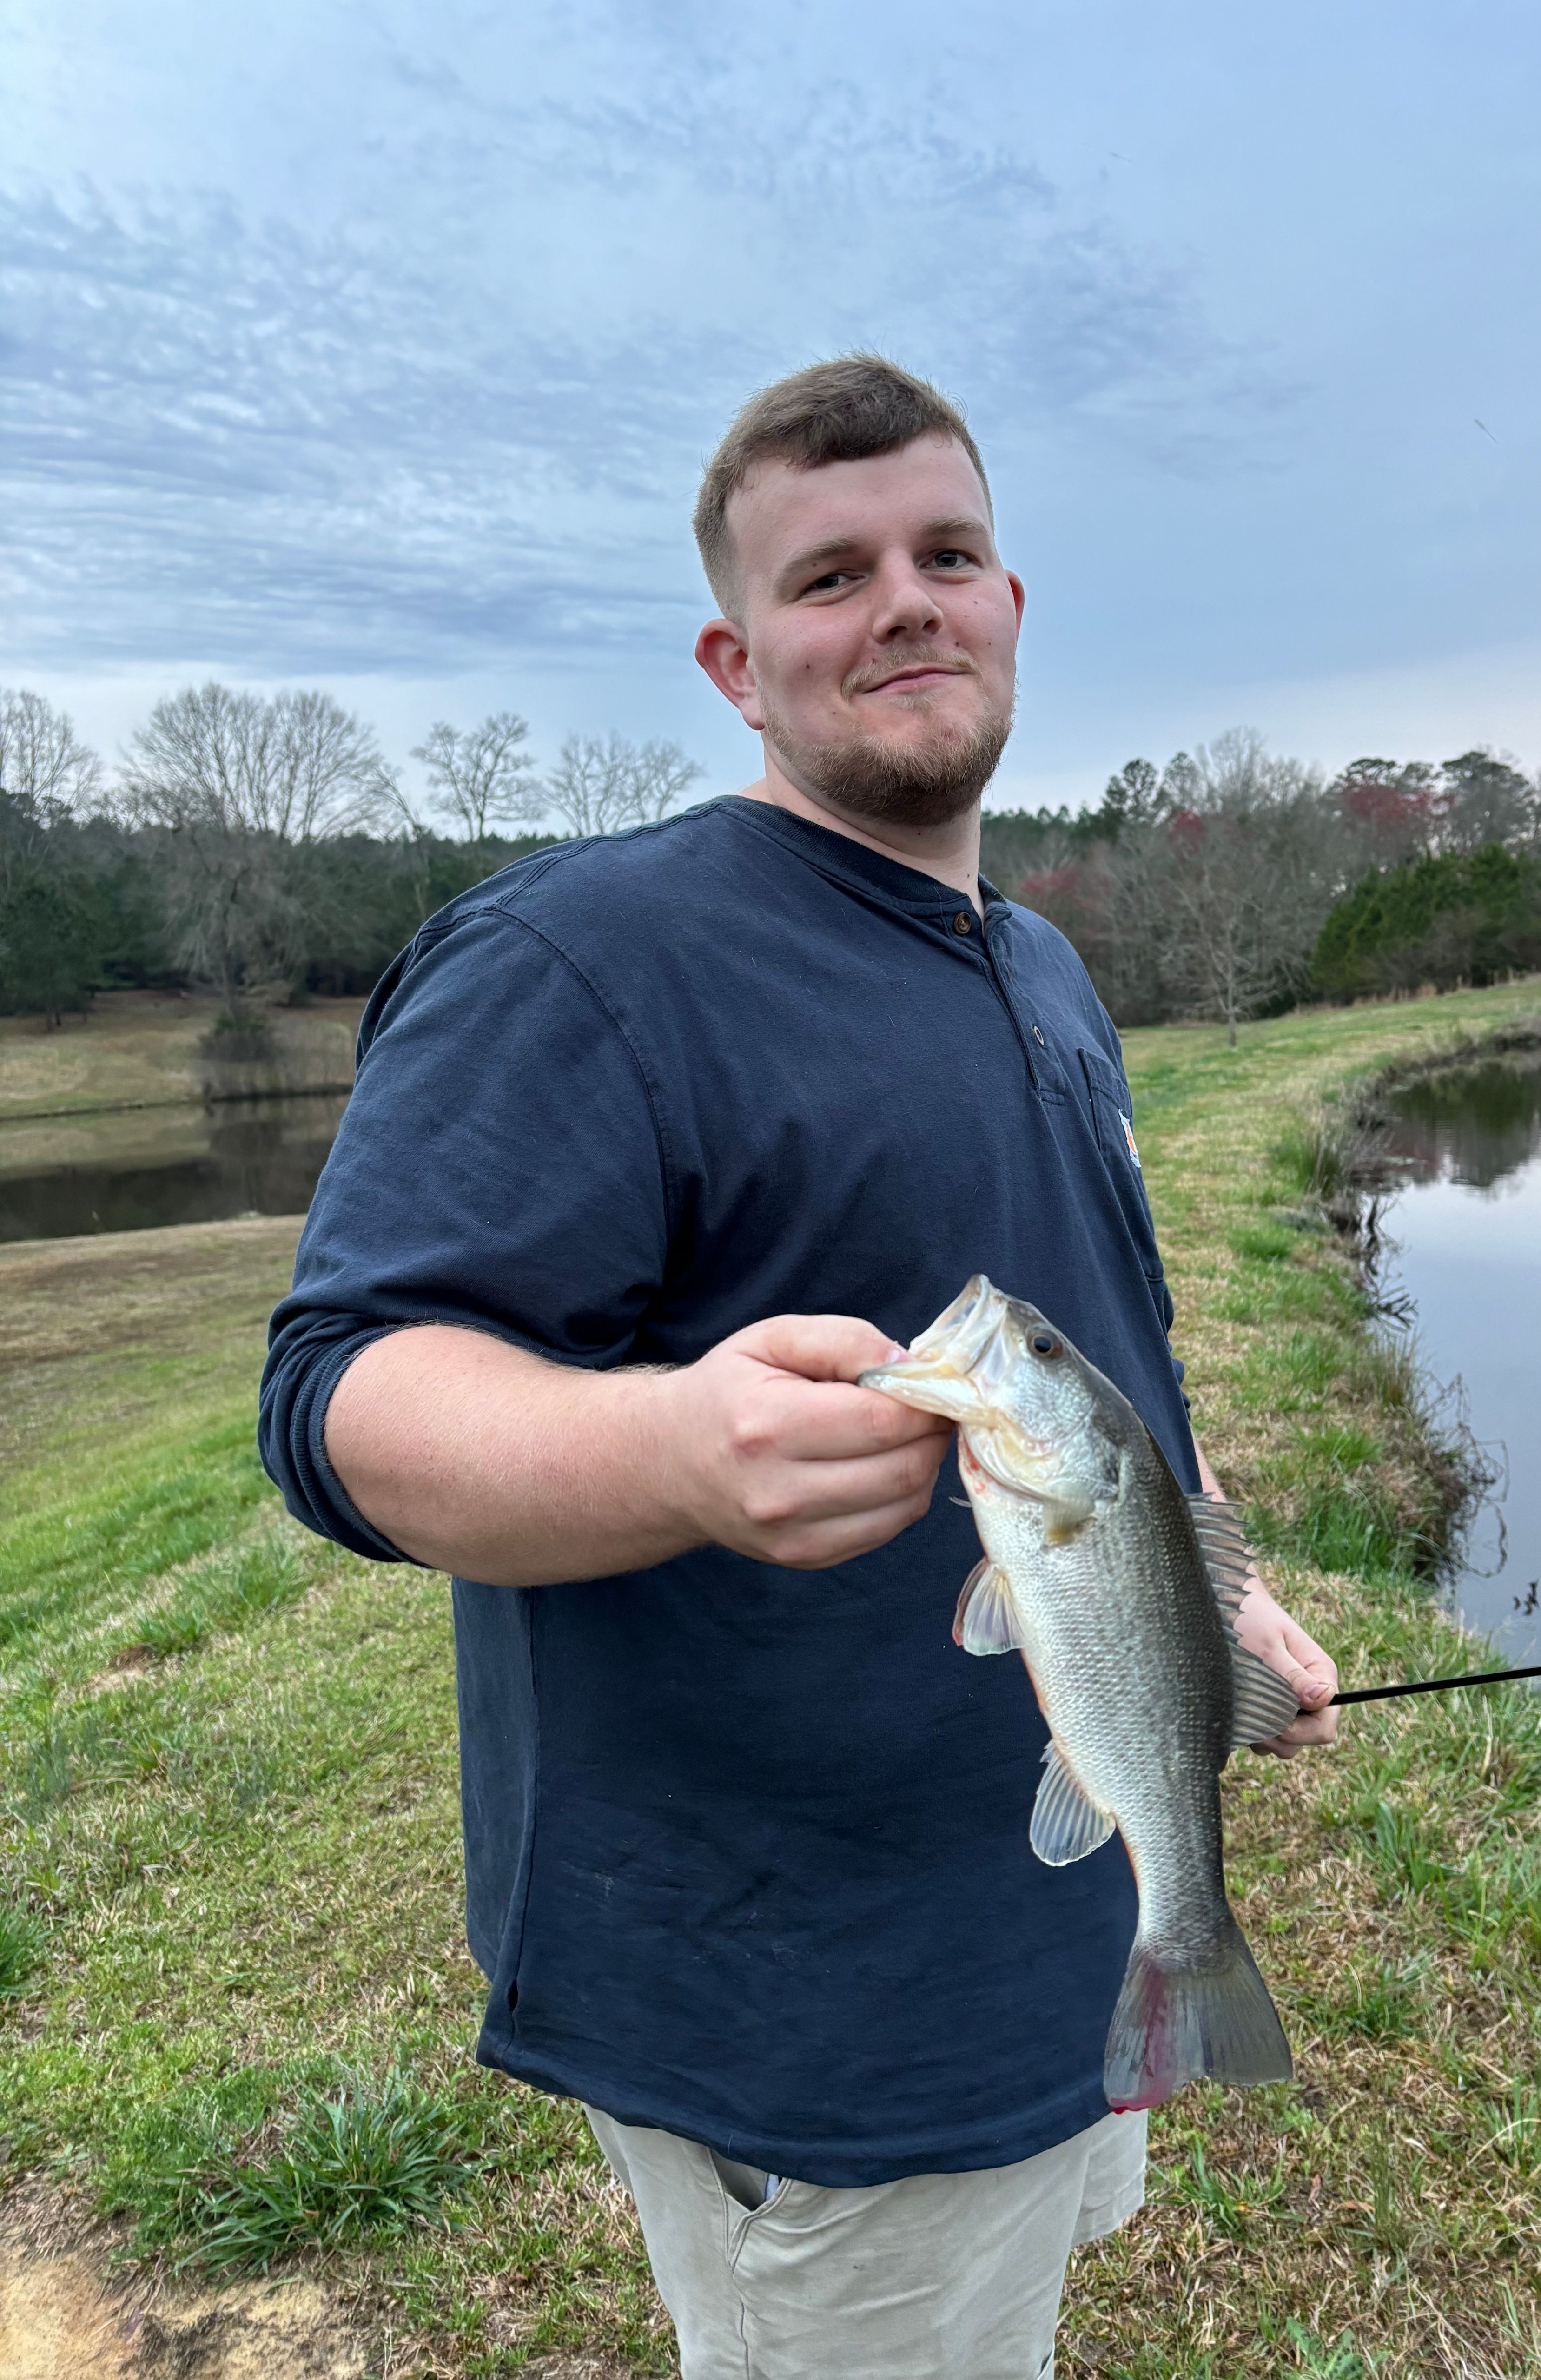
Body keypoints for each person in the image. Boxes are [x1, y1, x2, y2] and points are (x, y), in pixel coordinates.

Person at [260, 354, 1338, 2380]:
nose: (907, 600)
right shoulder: (588, 959)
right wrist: (670, 1446)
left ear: (1014, 602)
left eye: (950, 551)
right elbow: (341, 1394)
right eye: (830, 575)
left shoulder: (1038, 963)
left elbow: (1110, 1358)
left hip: (1052, 1915)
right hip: (812, 1998)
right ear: (736, 660)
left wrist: (1208, 1598)